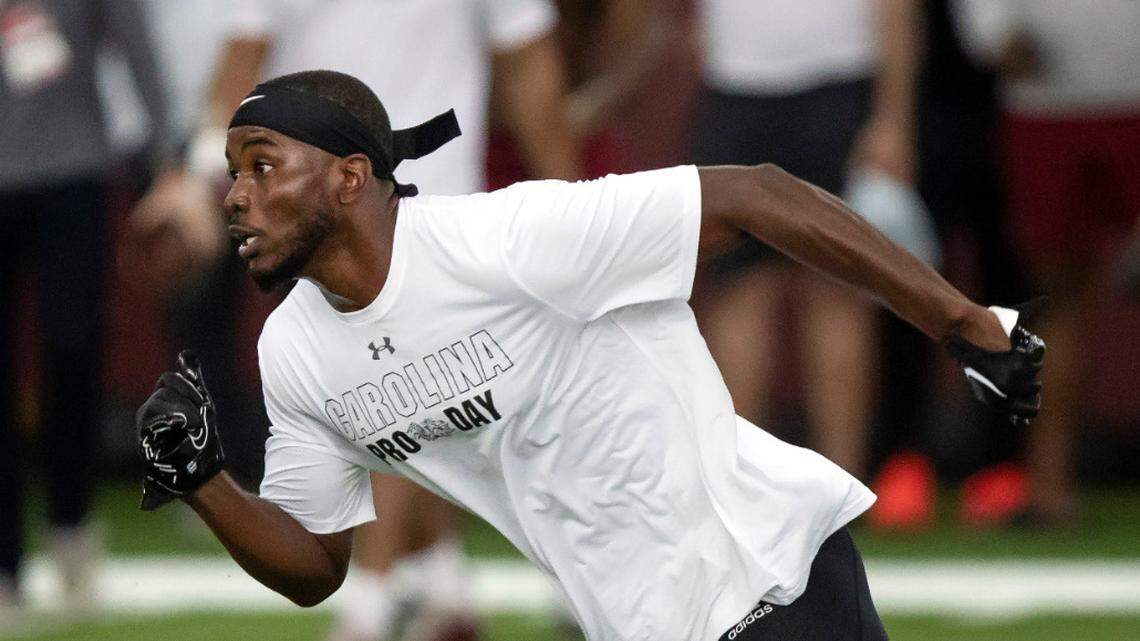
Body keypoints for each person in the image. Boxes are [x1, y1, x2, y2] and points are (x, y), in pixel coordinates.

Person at [135, 70, 1043, 641]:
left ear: (348, 177)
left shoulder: (510, 238)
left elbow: (759, 194)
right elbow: (317, 563)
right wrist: (206, 480)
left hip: (765, 579)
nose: (234, 197)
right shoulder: (294, 349)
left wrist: (965, 323)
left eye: (261, 165)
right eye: (231, 171)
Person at [126, 3, 581, 639]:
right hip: (316, 213)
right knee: (391, 400)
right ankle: (438, 578)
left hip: (432, 209)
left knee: (405, 398)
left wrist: (576, 213)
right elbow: (243, 59)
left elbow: (529, 65)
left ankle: (375, 599)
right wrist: (200, 181)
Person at [690, 0, 928, 483]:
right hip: (738, 82)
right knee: (743, 293)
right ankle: (737, 486)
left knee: (836, 293)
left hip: (835, 81)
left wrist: (893, 119)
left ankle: (842, 489)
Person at [0, 0, 169, 619]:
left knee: (72, 347)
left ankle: (71, 529)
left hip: (72, 169)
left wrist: (162, 154)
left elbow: (134, 40)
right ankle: (5, 566)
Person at [953, 0, 1140, 526]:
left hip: (1132, 94)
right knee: (1059, 299)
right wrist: (991, 33)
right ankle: (1050, 487)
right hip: (1046, 103)